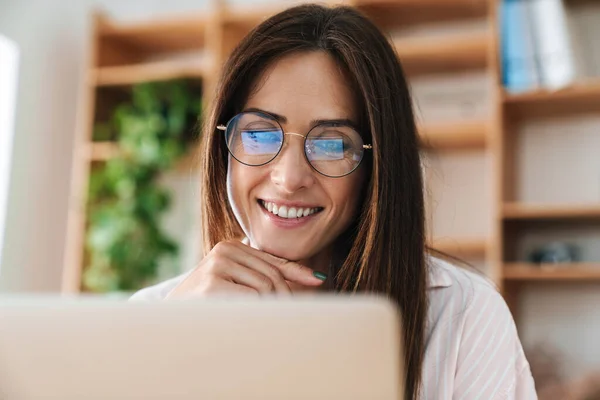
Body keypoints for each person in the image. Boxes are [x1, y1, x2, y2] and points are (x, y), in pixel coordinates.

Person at [130, 4, 537, 399]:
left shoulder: (463, 314)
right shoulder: (154, 316)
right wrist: (167, 346)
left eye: (331, 143)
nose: (289, 179)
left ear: (377, 166)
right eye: (259, 133)